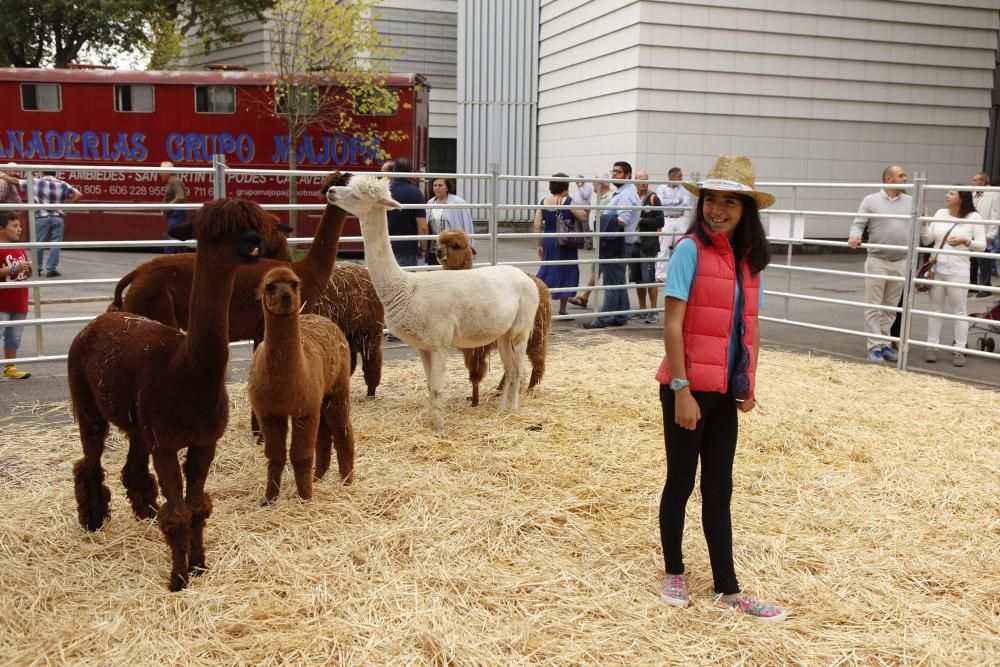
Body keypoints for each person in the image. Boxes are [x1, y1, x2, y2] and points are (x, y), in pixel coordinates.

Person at [655, 154, 785, 621]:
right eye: (712, 200)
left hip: (724, 390)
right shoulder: (689, 249)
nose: (718, 210)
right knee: (681, 481)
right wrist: (682, 389)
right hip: (686, 386)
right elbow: (672, 326)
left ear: (746, 209)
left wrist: (747, 382)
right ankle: (674, 571)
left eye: (730, 202)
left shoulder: (751, 262)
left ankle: (728, 589)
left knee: (719, 487)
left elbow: (749, 327)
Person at [848, 165, 911, 363]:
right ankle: (874, 346)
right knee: (873, 305)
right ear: (888, 179)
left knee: (891, 307)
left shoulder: (911, 201)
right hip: (877, 259)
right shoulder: (871, 200)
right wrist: (855, 236)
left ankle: (884, 343)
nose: (905, 178)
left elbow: (920, 228)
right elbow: (859, 222)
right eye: (901, 176)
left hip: (901, 260)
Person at [921, 189, 986, 367]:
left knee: (959, 311)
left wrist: (966, 242)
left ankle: (960, 350)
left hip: (959, 270)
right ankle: (931, 347)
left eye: (951, 193)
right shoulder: (940, 213)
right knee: (935, 309)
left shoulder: (974, 217)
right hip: (937, 269)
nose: (946, 196)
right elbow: (927, 240)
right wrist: (925, 223)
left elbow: (982, 246)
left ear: (961, 198)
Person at [582, 161, 639, 329]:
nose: (614, 175)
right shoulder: (623, 192)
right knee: (618, 281)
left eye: (618, 172)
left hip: (618, 243)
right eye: (613, 172)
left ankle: (602, 320)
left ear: (628, 175)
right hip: (619, 242)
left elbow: (622, 220)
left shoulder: (626, 195)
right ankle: (621, 316)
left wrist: (601, 220)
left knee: (611, 284)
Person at [6, 170, 81, 277]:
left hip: (41, 217)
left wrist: (2, 175)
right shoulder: (62, 184)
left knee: (38, 243)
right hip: (57, 217)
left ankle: (37, 268)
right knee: (56, 243)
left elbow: (15, 181)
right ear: (56, 174)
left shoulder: (35, 182)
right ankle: (51, 269)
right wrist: (65, 208)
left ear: (42, 173)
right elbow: (78, 194)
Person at [535, 173, 587, 315]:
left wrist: (539, 244)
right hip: (565, 241)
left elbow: (537, 224)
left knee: (548, 270)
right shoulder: (568, 201)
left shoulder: (543, 202)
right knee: (566, 272)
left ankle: (543, 306)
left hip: (549, 240)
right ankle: (563, 310)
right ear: (566, 186)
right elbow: (583, 216)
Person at [568, 173, 614, 309]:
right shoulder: (599, 197)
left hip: (606, 240)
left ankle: (590, 298)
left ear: (603, 183)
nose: (593, 184)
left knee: (602, 269)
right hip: (598, 238)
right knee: (597, 268)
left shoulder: (610, 198)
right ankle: (585, 297)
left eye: (595, 182)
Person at [0, 212, 33, 379]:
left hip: (19, 301)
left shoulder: (19, 248)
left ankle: (10, 367)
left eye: (20, 226)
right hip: (2, 303)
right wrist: (15, 268)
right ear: (1, 229)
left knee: (14, 337)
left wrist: (28, 270)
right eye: (15, 226)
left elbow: (24, 272)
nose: (20, 229)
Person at [635, 170, 664, 324]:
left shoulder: (653, 198)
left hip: (648, 244)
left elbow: (660, 221)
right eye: (640, 179)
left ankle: (653, 311)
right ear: (635, 181)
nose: (643, 182)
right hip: (634, 243)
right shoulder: (633, 197)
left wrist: (642, 220)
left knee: (649, 278)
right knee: (638, 279)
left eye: (645, 179)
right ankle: (642, 309)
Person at [426, 178, 475, 266]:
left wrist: (470, 246)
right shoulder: (430, 203)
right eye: (435, 185)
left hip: (452, 250)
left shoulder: (458, 202)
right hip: (434, 249)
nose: (437, 188)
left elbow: (467, 225)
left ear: (447, 187)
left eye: (440, 185)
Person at [970, 172, 998, 297]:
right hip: (971, 230)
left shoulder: (994, 193)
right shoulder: (973, 193)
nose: (973, 182)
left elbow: (996, 213)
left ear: (983, 181)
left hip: (985, 231)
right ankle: (972, 285)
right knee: (972, 260)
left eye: (975, 180)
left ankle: (985, 287)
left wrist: (991, 234)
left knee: (983, 260)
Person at [161, 161, 188, 254]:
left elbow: (180, 196)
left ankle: (168, 257)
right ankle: (182, 256)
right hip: (175, 213)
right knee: (178, 236)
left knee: (172, 235)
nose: (160, 174)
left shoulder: (174, 182)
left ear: (168, 172)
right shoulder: (172, 182)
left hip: (176, 213)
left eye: (162, 171)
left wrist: (168, 206)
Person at [572, 176, 594, 250]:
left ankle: (588, 243)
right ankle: (580, 242)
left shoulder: (587, 187)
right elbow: (574, 198)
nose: (577, 182)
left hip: (585, 208)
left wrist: (581, 187)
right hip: (577, 208)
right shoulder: (576, 189)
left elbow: (585, 196)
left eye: (578, 181)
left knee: (585, 226)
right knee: (578, 226)